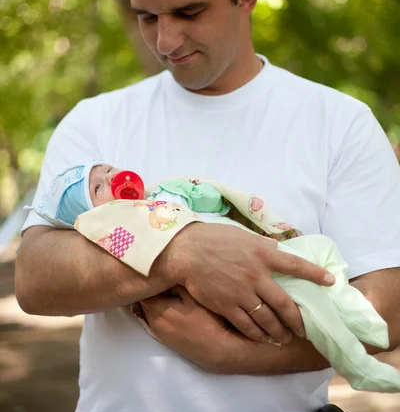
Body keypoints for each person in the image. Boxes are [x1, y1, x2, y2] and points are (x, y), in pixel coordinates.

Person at [15, 0, 400, 412]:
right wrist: (181, 251)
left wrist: (235, 357)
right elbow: (36, 279)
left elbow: (386, 311)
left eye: (189, 12)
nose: (166, 40)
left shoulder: (338, 123)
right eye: (147, 16)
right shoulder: (95, 121)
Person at [31, 161, 400, 393]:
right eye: (97, 187)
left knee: (322, 252)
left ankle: (356, 313)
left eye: (107, 169)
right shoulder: (114, 223)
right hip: (253, 281)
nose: (111, 178)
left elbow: (212, 203)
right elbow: (128, 246)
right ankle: (357, 364)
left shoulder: (160, 196)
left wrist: (194, 193)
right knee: (312, 309)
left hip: (270, 252)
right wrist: (184, 253)